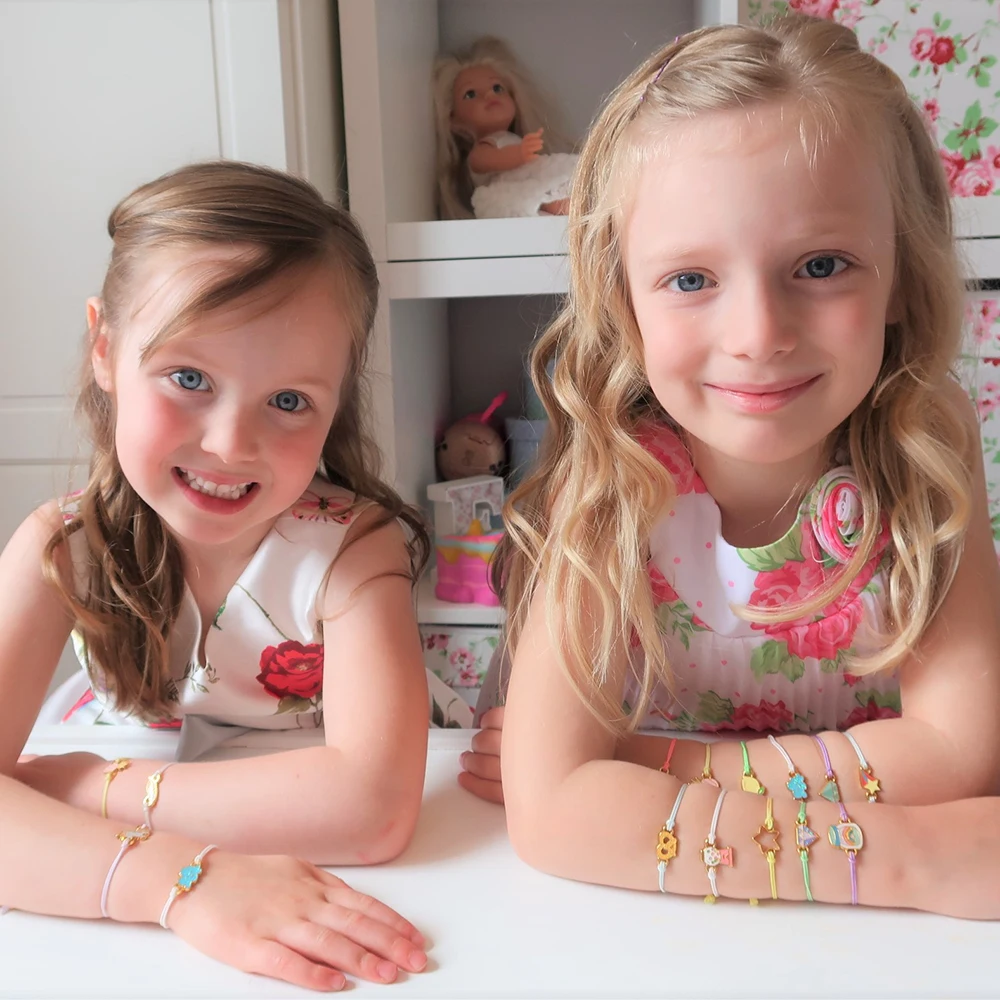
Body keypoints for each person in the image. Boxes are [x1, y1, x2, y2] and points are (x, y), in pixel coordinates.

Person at [466, 16, 1000, 917]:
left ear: (903, 275)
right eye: (690, 280)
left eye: (821, 265)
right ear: (622, 296)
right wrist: (903, 860)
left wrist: (652, 767)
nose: (758, 336)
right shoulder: (614, 469)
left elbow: (957, 758)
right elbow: (554, 813)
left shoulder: (926, 440)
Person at [0, 161, 437, 988]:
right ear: (105, 349)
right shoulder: (60, 547)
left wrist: (90, 785)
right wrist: (178, 884)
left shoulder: (354, 549)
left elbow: (373, 810)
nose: (232, 446)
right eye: (190, 379)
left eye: (289, 401)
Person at [433, 36, 577, 220]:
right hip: (507, 192)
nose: (489, 95)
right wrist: (520, 153)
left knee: (564, 179)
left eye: (497, 88)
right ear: (455, 121)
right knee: (543, 199)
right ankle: (572, 209)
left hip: (529, 180)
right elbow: (486, 160)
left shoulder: (511, 139)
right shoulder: (483, 147)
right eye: (470, 94)